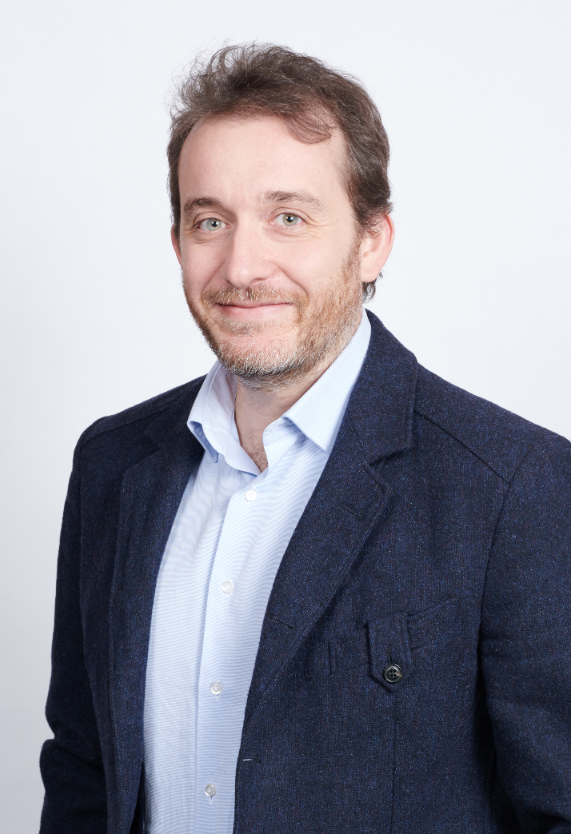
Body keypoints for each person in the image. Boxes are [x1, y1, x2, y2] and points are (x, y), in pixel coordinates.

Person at [39, 43, 571, 834]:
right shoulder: (112, 464)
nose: (241, 266)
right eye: (209, 221)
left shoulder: (513, 486)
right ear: (178, 241)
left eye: (287, 218)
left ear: (371, 240)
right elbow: (83, 765)